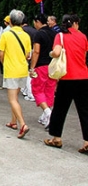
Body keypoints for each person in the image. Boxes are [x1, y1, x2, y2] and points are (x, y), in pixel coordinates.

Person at [44, 14, 88, 154]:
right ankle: (87, 141)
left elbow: (56, 52)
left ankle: (56, 138)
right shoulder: (83, 37)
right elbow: (84, 56)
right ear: (75, 23)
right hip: (83, 77)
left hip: (67, 78)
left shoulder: (60, 36)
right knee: (85, 110)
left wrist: (51, 53)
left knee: (60, 109)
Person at [0, 9, 31, 139]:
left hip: (11, 70)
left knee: (12, 99)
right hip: (23, 70)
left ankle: (23, 124)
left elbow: (0, 54)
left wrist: (5, 63)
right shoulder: (26, 35)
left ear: (10, 21)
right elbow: (28, 54)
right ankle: (13, 122)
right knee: (15, 98)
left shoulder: (6, 35)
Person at [30, 14, 57, 128]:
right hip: (53, 66)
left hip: (41, 65)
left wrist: (32, 67)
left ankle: (47, 113)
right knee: (49, 89)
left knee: (37, 89)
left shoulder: (39, 34)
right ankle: (45, 116)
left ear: (37, 22)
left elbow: (36, 52)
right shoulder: (55, 33)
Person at [22, 16, 38, 101]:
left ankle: (29, 92)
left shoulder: (22, 31)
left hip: (25, 52)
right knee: (31, 70)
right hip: (34, 50)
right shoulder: (34, 30)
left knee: (27, 72)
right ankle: (28, 90)